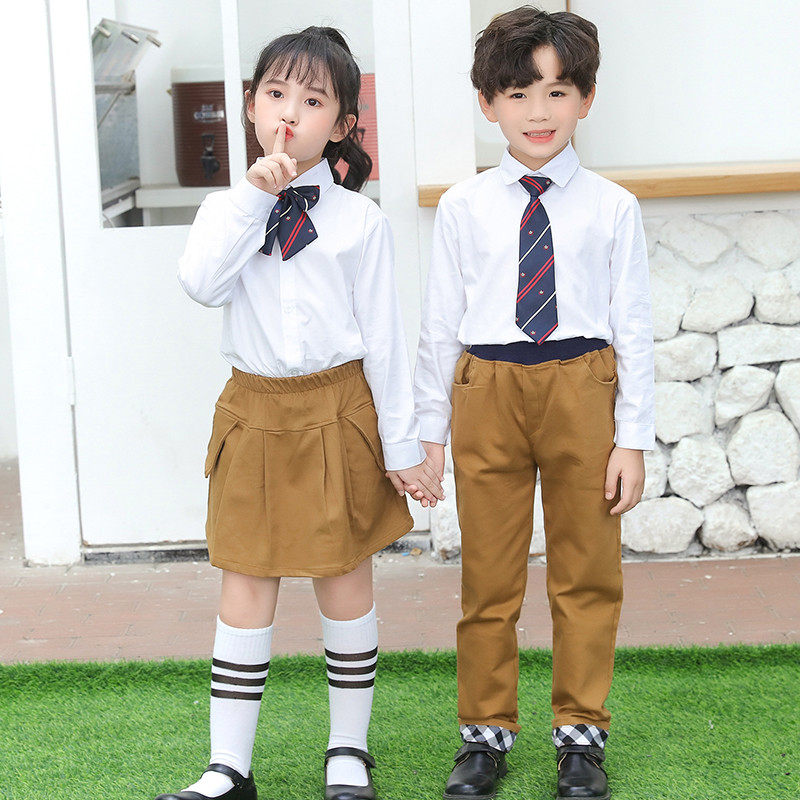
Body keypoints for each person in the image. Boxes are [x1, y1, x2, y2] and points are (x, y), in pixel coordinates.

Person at [159, 26, 443, 800]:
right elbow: (202, 284)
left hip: (336, 412)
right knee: (245, 585)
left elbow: (385, 342)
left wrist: (403, 447)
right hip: (253, 413)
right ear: (251, 105)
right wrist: (255, 196)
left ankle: (347, 750)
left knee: (344, 582)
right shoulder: (226, 209)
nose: (290, 112)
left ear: (343, 124)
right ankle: (227, 767)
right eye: (277, 93)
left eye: (313, 101)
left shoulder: (360, 222)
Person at [413, 7, 655, 799]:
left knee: (587, 572)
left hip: (583, 384)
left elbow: (634, 325)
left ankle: (580, 735)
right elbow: (439, 324)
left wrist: (632, 437)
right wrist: (428, 434)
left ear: (586, 98)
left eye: (556, 91)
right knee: (489, 577)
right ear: (488, 103)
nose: (538, 111)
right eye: (518, 93)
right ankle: (484, 736)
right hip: (487, 388)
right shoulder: (464, 206)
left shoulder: (613, 206)